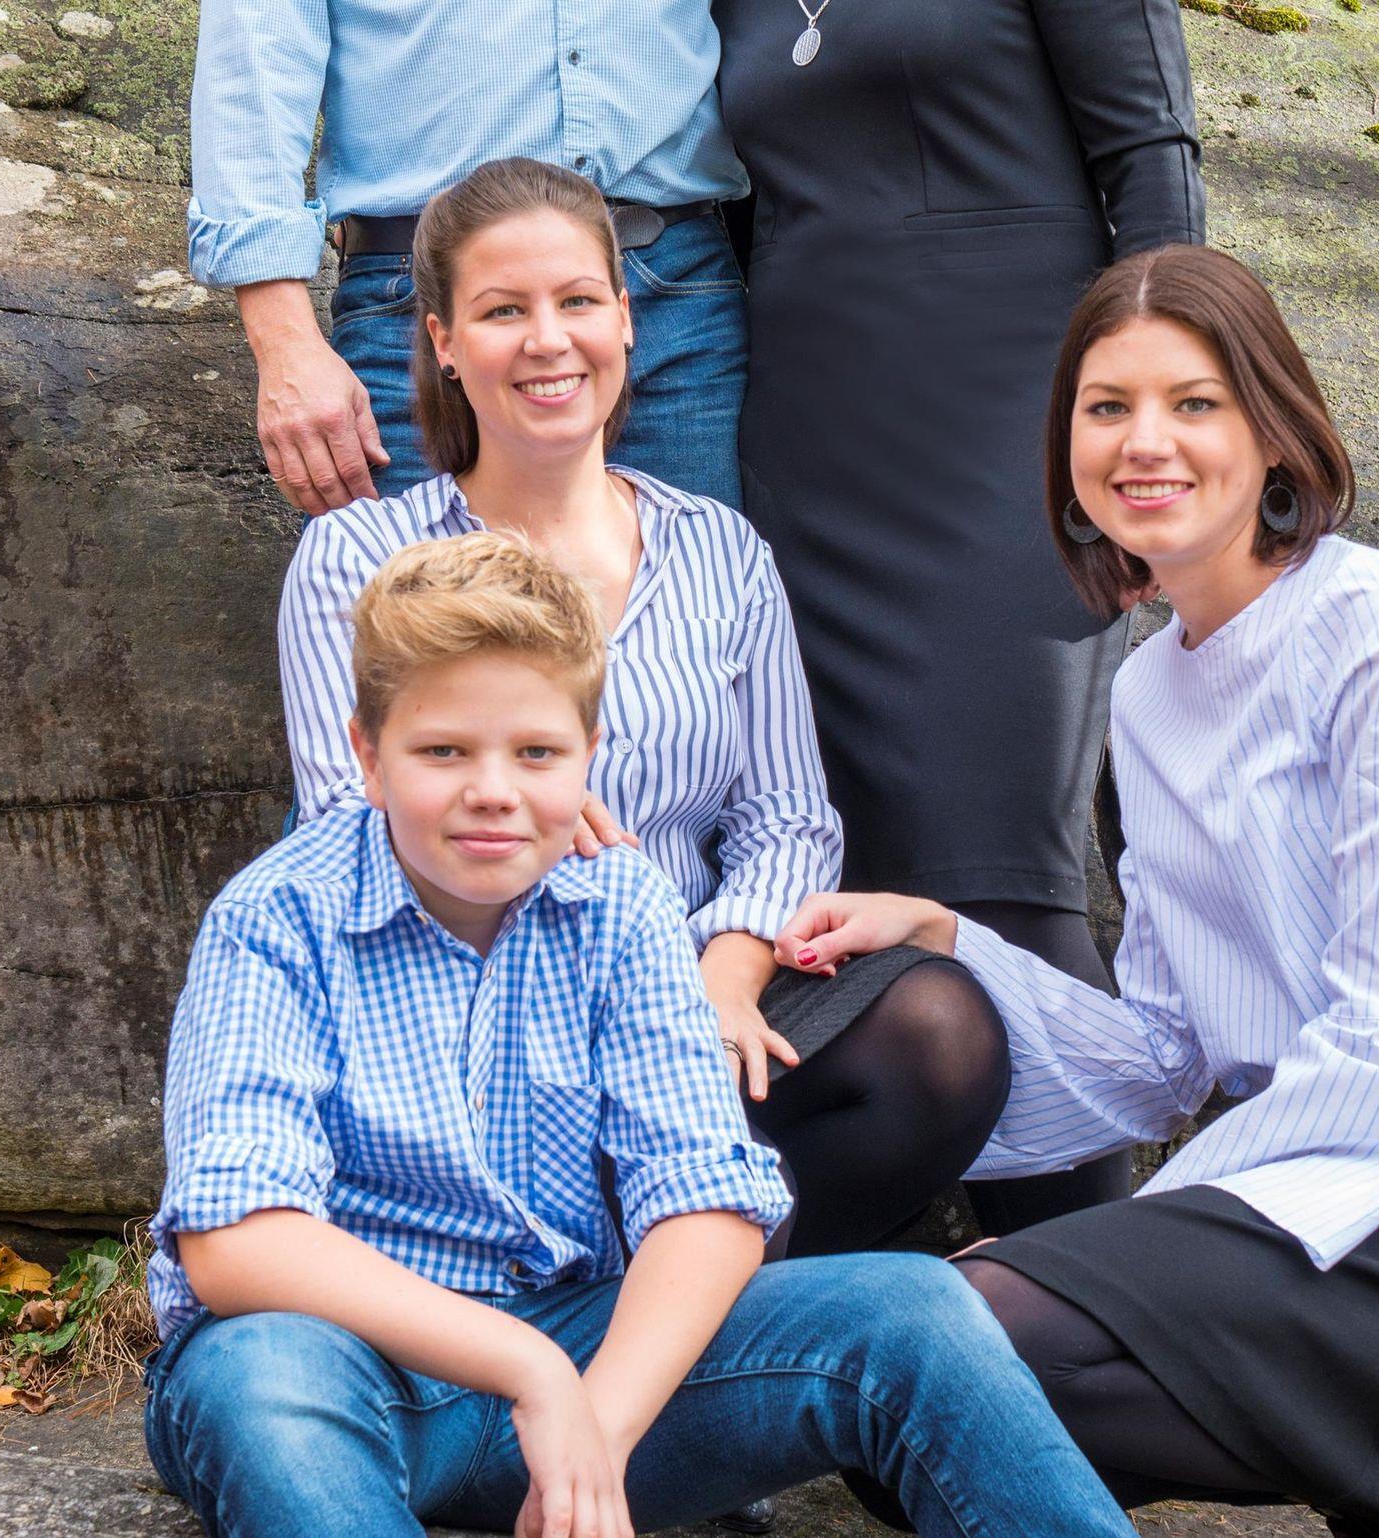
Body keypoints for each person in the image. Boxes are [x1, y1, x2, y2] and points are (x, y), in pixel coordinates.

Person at [771, 244, 1379, 1537]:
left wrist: (1144, 1241)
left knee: (946, 1342)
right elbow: (1163, 1055)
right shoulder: (1147, 690)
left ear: (1272, 430)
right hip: (1318, 1178)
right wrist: (942, 933)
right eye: (1106, 405)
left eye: (1193, 401)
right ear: (1066, 448)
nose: (1146, 440)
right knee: (915, 1389)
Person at [143, 531, 1137, 1538]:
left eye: (536, 753)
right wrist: (527, 1367)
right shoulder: (278, 916)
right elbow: (237, 1238)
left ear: (588, 753)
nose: (493, 789)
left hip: (586, 1353)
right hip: (346, 1358)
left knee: (916, 1310)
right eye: (443, 751)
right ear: (368, 755)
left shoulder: (620, 904)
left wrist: (599, 1425)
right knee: (256, 1378)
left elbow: (705, 1198)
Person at [278, 157, 1011, 1261]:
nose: (548, 340)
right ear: (442, 341)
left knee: (936, 1032)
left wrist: (723, 976)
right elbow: (348, 820)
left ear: (626, 318)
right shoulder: (358, 557)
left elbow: (786, 817)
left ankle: (702, 1301)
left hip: (696, 983)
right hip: (475, 1007)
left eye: (578, 300)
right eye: (503, 311)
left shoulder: (720, 549)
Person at [710, 0, 1206, 1232]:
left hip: (1008, 428)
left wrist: (1145, 434)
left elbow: (1150, 160)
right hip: (808, 446)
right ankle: (849, 1302)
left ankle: (1078, 1298)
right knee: (852, 877)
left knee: (1002, 875)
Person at [188, 0, 749, 513]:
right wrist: (284, 344)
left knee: (696, 583)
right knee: (412, 591)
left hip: (675, 294)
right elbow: (254, 51)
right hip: (419, 302)